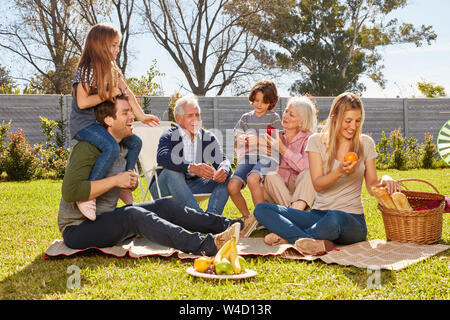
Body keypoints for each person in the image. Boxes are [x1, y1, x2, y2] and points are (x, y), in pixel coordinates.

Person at [58, 95, 245, 256]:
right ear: (108, 120)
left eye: (131, 111)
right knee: (133, 214)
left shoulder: (125, 146)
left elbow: (116, 188)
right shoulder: (87, 148)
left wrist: (125, 185)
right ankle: (206, 245)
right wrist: (116, 180)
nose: (132, 116)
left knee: (164, 206)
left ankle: (229, 225)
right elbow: (71, 192)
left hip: (106, 218)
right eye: (125, 113)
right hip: (78, 228)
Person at [254, 92, 400, 255]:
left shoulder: (365, 143)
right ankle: (310, 241)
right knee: (261, 209)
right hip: (318, 215)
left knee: (334, 218)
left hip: (351, 220)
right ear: (335, 118)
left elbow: (372, 185)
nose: (353, 126)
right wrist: (339, 171)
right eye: (348, 121)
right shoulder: (316, 141)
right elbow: (317, 183)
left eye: (357, 121)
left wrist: (386, 179)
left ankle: (290, 238)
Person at [70, 23, 160, 221]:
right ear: (99, 45)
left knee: (136, 142)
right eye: (113, 45)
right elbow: (83, 101)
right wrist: (107, 94)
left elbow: (127, 93)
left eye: (118, 45)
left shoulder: (112, 69)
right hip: (84, 125)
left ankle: (125, 186)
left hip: (102, 123)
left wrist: (141, 115)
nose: (117, 50)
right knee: (111, 147)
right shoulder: (86, 70)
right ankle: (88, 195)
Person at [149, 95, 239, 219]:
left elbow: (223, 160)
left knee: (227, 175)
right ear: (178, 119)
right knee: (172, 172)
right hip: (165, 187)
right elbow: (162, 156)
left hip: (194, 186)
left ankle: (212, 217)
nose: (195, 119)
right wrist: (191, 167)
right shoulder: (169, 135)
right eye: (190, 115)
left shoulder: (207, 137)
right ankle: (202, 220)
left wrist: (224, 169)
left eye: (197, 115)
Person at [228, 80, 282, 220]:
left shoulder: (273, 118)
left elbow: (278, 142)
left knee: (253, 179)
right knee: (232, 186)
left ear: (271, 102)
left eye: (264, 102)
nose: (259, 104)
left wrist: (257, 141)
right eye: (256, 100)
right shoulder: (246, 118)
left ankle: (262, 219)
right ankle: (248, 218)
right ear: (252, 98)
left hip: (268, 157)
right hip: (250, 156)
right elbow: (237, 135)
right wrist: (240, 138)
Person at [261, 96, 317, 215]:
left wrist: (282, 149)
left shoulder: (309, 138)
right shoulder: (275, 136)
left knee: (309, 173)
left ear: (302, 121)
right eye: (286, 111)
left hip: (300, 189)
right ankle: (298, 214)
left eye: (291, 115)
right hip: (276, 191)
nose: (285, 116)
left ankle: (291, 215)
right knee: (270, 176)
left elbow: (304, 167)